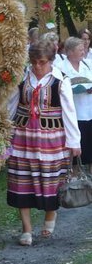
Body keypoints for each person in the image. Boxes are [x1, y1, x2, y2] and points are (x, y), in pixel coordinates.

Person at [7, 39, 81, 246]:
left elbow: (69, 113)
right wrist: (3, 134)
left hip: (52, 139)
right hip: (23, 137)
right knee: (22, 180)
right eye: (34, 62)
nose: (37, 66)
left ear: (51, 60)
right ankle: (27, 230)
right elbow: (11, 106)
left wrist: (74, 142)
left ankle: (50, 218)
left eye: (42, 62)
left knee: (51, 181)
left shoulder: (61, 80)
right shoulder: (22, 77)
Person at [58, 37, 92, 171]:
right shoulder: (61, 67)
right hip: (74, 114)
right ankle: (75, 177)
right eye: (80, 49)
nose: (83, 52)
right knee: (76, 151)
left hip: (89, 112)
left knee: (89, 148)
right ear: (70, 52)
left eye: (83, 49)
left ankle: (89, 179)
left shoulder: (87, 65)